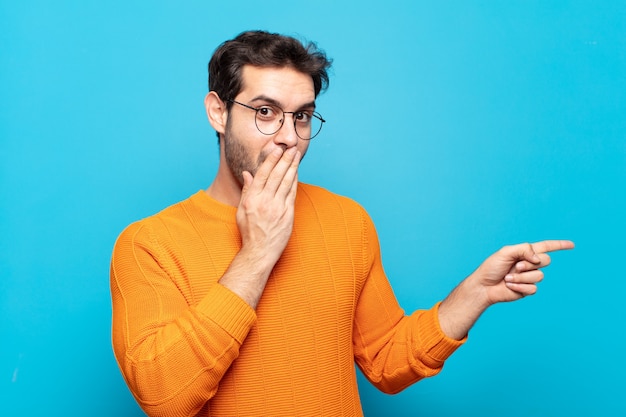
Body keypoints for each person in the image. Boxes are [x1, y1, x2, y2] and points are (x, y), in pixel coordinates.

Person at [110, 30, 574, 417]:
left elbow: (385, 361)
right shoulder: (149, 244)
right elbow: (164, 395)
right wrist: (257, 252)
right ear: (218, 112)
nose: (289, 138)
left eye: (303, 116)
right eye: (265, 112)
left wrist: (475, 294)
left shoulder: (346, 221)